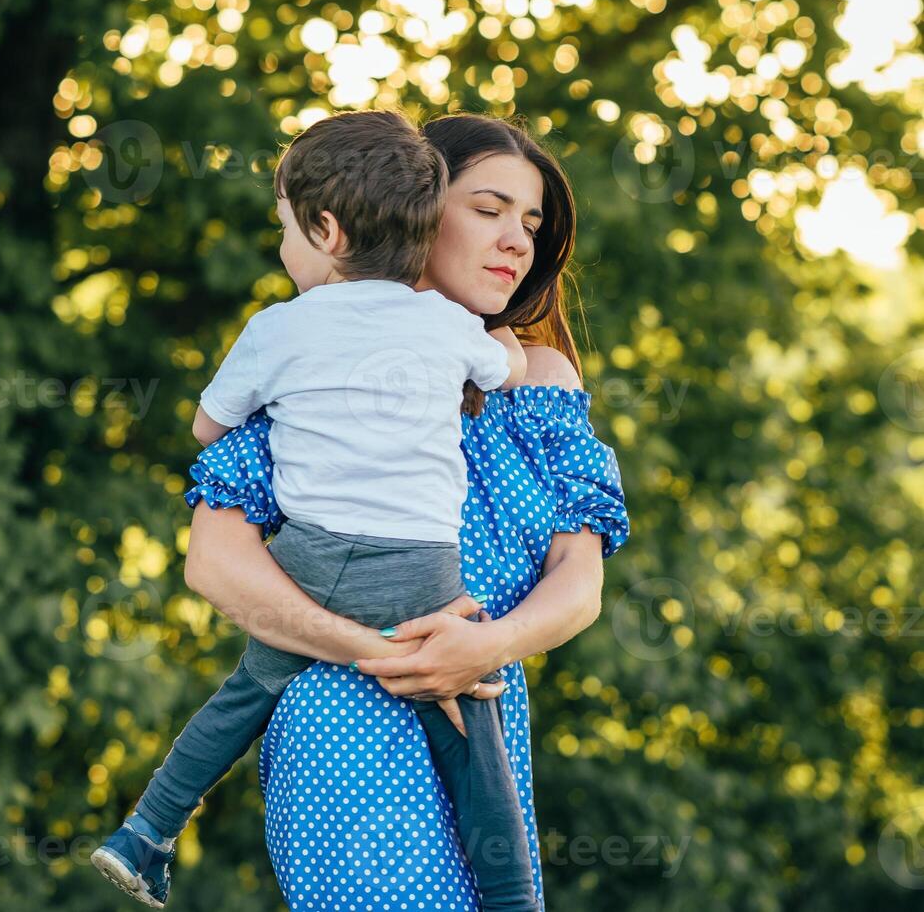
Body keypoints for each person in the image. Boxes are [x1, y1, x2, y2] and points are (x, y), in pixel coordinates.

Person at [92, 109, 545, 911]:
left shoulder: (277, 331)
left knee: (242, 694)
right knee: (477, 740)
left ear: (328, 229)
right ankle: (513, 900)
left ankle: (146, 832)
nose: (516, 238)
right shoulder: (448, 327)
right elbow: (502, 367)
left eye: (284, 231)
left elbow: (207, 427)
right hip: (426, 580)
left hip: (316, 560)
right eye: (488, 209)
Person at [180, 114, 631, 910]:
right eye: (489, 210)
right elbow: (215, 563)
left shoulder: (542, 382)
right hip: (346, 731)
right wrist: (385, 655)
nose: (518, 240)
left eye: (530, 223)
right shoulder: (317, 358)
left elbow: (579, 578)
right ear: (414, 209)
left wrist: (480, 647)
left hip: (481, 736)